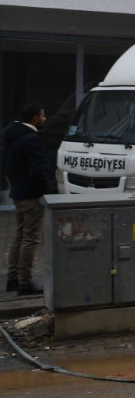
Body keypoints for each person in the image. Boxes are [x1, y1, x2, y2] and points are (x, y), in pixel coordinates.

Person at [4, 104, 50, 295]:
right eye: (42, 115)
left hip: (18, 193)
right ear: (34, 119)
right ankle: (25, 283)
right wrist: (44, 191)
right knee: (31, 239)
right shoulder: (32, 140)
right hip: (31, 196)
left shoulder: (12, 136)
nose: (45, 119)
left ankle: (12, 279)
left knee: (20, 236)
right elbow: (37, 170)